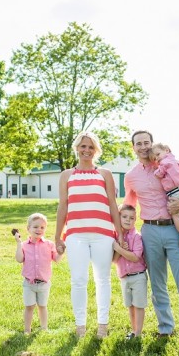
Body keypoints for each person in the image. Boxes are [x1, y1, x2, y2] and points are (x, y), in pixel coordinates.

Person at [123, 130, 179, 352]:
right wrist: (122, 231)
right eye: (139, 143)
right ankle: (165, 328)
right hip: (150, 232)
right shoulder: (131, 176)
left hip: (177, 232)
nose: (143, 146)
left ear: (152, 144)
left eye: (147, 142)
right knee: (157, 284)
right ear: (133, 148)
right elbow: (128, 206)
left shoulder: (169, 166)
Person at [53, 131, 121, 339]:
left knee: (103, 279)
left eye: (91, 147)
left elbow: (112, 203)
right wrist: (58, 236)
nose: (86, 150)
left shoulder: (105, 174)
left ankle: (102, 325)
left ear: (96, 151)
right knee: (79, 280)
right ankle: (80, 326)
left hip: (103, 234)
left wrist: (119, 233)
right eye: (83, 146)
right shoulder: (67, 175)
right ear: (77, 148)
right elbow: (63, 206)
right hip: (76, 235)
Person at [13, 213, 61, 335]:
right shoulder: (24, 245)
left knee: (42, 306)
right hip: (29, 283)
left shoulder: (49, 244)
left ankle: (44, 328)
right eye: (35, 227)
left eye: (42, 227)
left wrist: (61, 252)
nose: (39, 230)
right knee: (29, 307)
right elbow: (19, 259)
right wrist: (18, 243)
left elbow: (56, 259)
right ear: (28, 229)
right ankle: (27, 330)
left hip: (44, 283)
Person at [112, 204, 147, 341]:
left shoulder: (136, 236)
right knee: (130, 306)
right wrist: (119, 247)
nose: (128, 220)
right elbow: (114, 260)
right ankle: (133, 331)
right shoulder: (118, 237)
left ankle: (138, 332)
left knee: (138, 305)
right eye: (124, 216)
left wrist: (119, 249)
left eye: (131, 218)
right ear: (118, 218)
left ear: (135, 220)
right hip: (124, 277)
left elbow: (135, 257)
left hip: (138, 276)